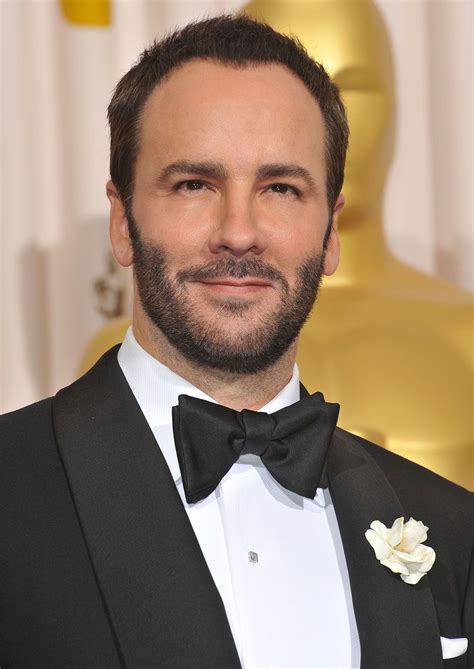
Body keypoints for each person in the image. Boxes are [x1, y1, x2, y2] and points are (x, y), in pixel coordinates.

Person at [0, 15, 472, 669]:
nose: (240, 232)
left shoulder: (450, 527)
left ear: (330, 232)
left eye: (281, 188)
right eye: (195, 185)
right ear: (123, 222)